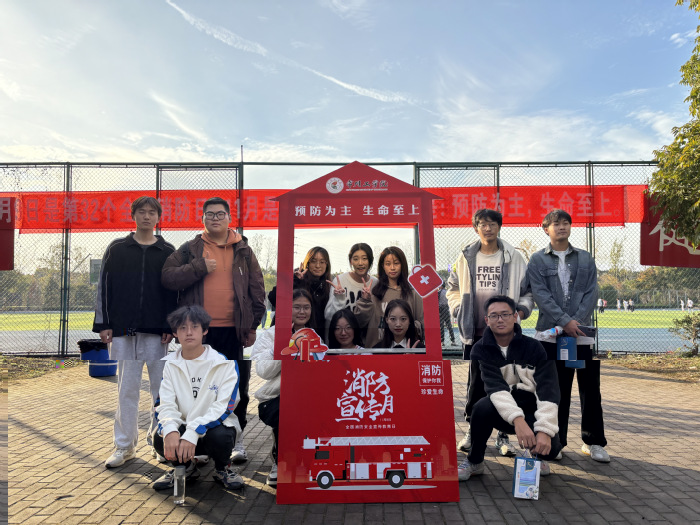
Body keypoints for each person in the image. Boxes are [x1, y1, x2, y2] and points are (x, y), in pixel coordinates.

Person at [161, 196, 266, 465]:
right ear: (203, 218)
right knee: (197, 389)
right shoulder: (191, 249)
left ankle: (236, 440)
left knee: (235, 389)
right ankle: (198, 440)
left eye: (220, 214)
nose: (215, 218)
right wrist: (198, 267)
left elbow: (257, 289)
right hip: (198, 333)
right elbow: (168, 277)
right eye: (210, 214)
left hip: (232, 331)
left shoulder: (244, 250)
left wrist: (252, 325)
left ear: (229, 218)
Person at [93, 196, 176, 468]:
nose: (147, 216)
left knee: (160, 391)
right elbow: (104, 287)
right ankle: (124, 446)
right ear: (133, 215)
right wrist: (104, 324)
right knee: (127, 390)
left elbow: (174, 293)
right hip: (123, 331)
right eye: (142, 211)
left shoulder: (167, 251)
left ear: (159, 217)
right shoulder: (117, 248)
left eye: (152, 212)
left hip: (157, 333)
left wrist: (170, 326)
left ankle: (159, 443)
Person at [446, 208, 533, 458]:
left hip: (506, 333)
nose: (488, 228)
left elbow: (527, 291)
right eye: (483, 224)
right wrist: (459, 308)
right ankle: (473, 431)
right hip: (476, 332)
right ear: (476, 228)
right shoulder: (465, 257)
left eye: (492, 224)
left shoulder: (514, 257)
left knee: (508, 382)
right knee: (476, 384)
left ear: (499, 227)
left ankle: (503, 434)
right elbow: (452, 287)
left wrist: (520, 312)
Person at [527, 208, 610, 463]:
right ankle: (556, 442)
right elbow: (540, 295)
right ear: (546, 229)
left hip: (580, 335)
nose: (562, 227)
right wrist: (565, 322)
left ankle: (593, 442)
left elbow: (592, 292)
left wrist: (576, 323)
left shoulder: (585, 258)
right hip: (551, 336)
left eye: (566, 223)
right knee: (556, 389)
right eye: (556, 224)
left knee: (589, 388)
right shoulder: (537, 260)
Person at [458, 296, 561, 480]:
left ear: (515, 317)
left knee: (551, 449)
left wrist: (544, 430)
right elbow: (496, 388)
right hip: (501, 410)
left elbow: (549, 390)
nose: (500, 319)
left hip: (531, 409)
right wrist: (518, 421)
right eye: (494, 315)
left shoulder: (535, 347)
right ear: (486, 320)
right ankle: (475, 461)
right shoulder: (480, 349)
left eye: (505, 314)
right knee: (481, 408)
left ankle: (536, 457)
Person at [151, 305, 244, 491]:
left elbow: (224, 407)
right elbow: (165, 404)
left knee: (220, 437)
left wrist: (194, 431)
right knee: (160, 437)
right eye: (182, 328)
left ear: (205, 330)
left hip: (212, 429)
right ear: (175, 333)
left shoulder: (224, 363)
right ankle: (185, 468)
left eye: (194, 327)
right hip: (184, 426)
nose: (189, 332)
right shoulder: (170, 364)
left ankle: (222, 468)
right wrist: (170, 429)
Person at [251, 289, 324, 488]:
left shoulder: (314, 336)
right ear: (286, 309)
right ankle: (279, 459)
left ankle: (305, 459)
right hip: (275, 399)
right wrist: (285, 347)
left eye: (306, 307)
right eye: (297, 307)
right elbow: (263, 371)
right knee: (287, 413)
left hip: (305, 399)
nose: (302, 312)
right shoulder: (271, 335)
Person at [354, 246, 424, 348]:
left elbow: (422, 323)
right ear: (383, 266)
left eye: (396, 263)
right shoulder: (374, 293)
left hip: (407, 351)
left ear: (403, 265)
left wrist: (410, 326)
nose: (392, 267)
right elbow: (359, 323)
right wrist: (365, 301)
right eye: (388, 264)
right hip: (377, 351)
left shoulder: (412, 293)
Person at [325, 243, 378, 326]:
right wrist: (339, 298)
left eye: (364, 258)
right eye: (356, 259)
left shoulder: (375, 283)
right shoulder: (340, 281)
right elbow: (329, 317)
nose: (360, 263)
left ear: (370, 260)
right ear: (351, 261)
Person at [293, 247, 332, 338]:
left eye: (322, 262)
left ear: (327, 265)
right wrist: (295, 280)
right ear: (307, 263)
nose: (318, 266)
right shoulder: (297, 278)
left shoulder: (329, 286)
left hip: (318, 337)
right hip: (295, 335)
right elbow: (274, 298)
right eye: (313, 261)